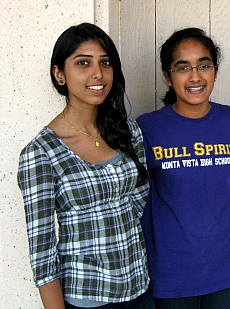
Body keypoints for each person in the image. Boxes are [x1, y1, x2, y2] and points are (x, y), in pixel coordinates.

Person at [17, 23, 153, 309]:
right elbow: (42, 253)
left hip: (140, 289)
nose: (97, 74)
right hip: (88, 297)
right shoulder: (41, 152)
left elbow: (140, 199)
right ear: (59, 74)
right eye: (83, 63)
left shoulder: (127, 131)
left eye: (105, 62)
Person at [137, 27, 230, 309]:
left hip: (225, 267)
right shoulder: (147, 127)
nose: (195, 76)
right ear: (167, 76)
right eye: (183, 67)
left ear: (215, 71)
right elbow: (135, 195)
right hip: (170, 269)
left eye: (204, 65)